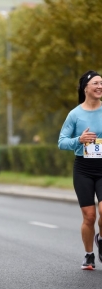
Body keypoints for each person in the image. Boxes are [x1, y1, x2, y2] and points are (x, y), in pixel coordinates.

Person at [58, 70, 102, 270]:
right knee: (89, 216)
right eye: (96, 83)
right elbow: (62, 142)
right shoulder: (75, 114)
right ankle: (89, 254)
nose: (100, 86)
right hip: (83, 168)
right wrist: (79, 140)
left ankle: (100, 238)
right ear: (86, 87)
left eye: (101, 83)